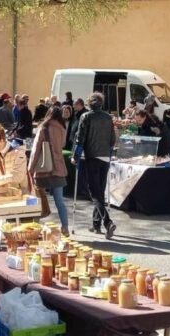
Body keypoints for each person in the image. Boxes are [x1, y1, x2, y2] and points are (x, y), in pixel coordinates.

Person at [73, 92, 117, 239]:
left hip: (92, 157)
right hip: (105, 157)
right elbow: (112, 140)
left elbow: (80, 138)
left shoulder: (86, 117)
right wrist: (109, 155)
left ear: (89, 104)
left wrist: (75, 156)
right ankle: (96, 224)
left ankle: (108, 222)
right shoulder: (108, 118)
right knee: (99, 192)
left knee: (94, 193)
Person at [29, 107, 69, 235]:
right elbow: (62, 145)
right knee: (59, 201)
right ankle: (65, 227)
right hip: (59, 167)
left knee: (37, 200)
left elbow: (35, 150)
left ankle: (36, 229)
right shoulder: (62, 128)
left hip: (43, 168)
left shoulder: (43, 127)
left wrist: (30, 168)